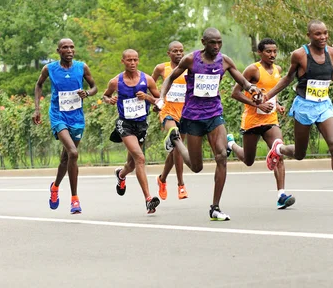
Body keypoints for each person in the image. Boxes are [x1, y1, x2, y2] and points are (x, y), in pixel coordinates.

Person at [159, 27, 262, 221]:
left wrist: (252, 89)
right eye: (212, 42)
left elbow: (243, 82)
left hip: (214, 113)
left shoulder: (224, 61)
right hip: (192, 117)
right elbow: (170, 78)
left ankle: (215, 207)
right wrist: (162, 97)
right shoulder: (191, 59)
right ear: (203, 42)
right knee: (196, 167)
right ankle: (176, 140)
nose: (216, 46)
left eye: (219, 42)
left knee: (221, 156)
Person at [264, 20, 333, 211]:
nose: (323, 37)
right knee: (300, 154)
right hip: (304, 107)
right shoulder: (299, 55)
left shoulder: (332, 53)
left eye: (325, 33)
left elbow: (332, 73)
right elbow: (287, 78)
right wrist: (267, 96)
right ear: (309, 35)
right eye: (318, 34)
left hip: (324, 105)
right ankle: (279, 149)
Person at [33, 38, 97, 214]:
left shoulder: (82, 67)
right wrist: (37, 109)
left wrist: (88, 93)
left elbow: (94, 87)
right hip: (58, 116)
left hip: (76, 117)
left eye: (71, 47)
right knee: (73, 153)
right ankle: (75, 199)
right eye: (65, 47)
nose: (69, 50)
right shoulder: (50, 68)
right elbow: (38, 85)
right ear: (58, 51)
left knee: (66, 158)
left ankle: (55, 187)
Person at [229, 38, 295, 210]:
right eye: (268, 52)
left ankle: (281, 195)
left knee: (278, 150)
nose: (272, 55)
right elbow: (235, 93)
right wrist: (257, 104)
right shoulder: (253, 70)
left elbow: (272, 92)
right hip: (252, 120)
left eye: (275, 51)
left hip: (270, 120)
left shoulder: (278, 70)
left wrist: (277, 104)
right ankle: (231, 144)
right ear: (260, 52)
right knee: (248, 160)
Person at [102, 49, 161, 214]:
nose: (132, 63)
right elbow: (105, 96)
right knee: (140, 158)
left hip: (141, 124)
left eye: (135, 60)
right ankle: (149, 199)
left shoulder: (147, 80)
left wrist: (148, 98)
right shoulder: (116, 82)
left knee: (131, 164)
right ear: (123, 61)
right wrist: (110, 100)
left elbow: (160, 103)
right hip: (125, 124)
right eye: (129, 60)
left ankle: (121, 175)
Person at [152, 41, 189, 201]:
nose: (179, 53)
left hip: (186, 113)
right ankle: (181, 185)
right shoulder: (162, 68)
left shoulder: (189, 68)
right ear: (169, 53)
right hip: (167, 112)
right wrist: (155, 101)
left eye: (181, 51)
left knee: (177, 149)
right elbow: (149, 84)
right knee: (176, 138)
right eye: (175, 51)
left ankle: (162, 179)